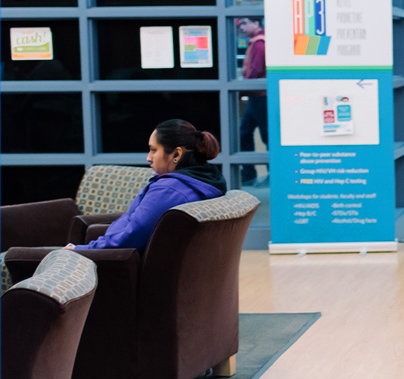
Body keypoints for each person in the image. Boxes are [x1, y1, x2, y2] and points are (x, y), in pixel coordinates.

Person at [68, 120, 226, 251]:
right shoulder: (206, 180)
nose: (148, 158)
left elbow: (133, 236)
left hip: (119, 265)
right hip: (121, 259)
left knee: (54, 257)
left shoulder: (169, 190)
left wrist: (82, 250)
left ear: (177, 154)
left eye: (153, 150)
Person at [236, 18, 268, 186]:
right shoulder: (257, 42)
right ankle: (248, 173)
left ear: (256, 23)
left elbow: (255, 70)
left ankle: (265, 174)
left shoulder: (258, 43)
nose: (241, 27)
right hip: (257, 95)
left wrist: (241, 89)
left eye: (244, 23)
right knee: (245, 132)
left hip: (260, 96)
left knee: (264, 134)